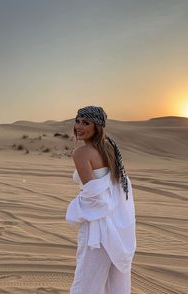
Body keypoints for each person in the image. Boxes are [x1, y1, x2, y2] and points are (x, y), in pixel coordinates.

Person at [65, 105, 136, 294]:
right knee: (110, 283)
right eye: (77, 121)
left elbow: (94, 197)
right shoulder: (110, 147)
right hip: (117, 226)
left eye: (85, 122)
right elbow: (118, 187)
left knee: (87, 282)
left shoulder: (81, 153)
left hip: (97, 229)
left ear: (97, 126)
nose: (79, 126)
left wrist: (74, 209)